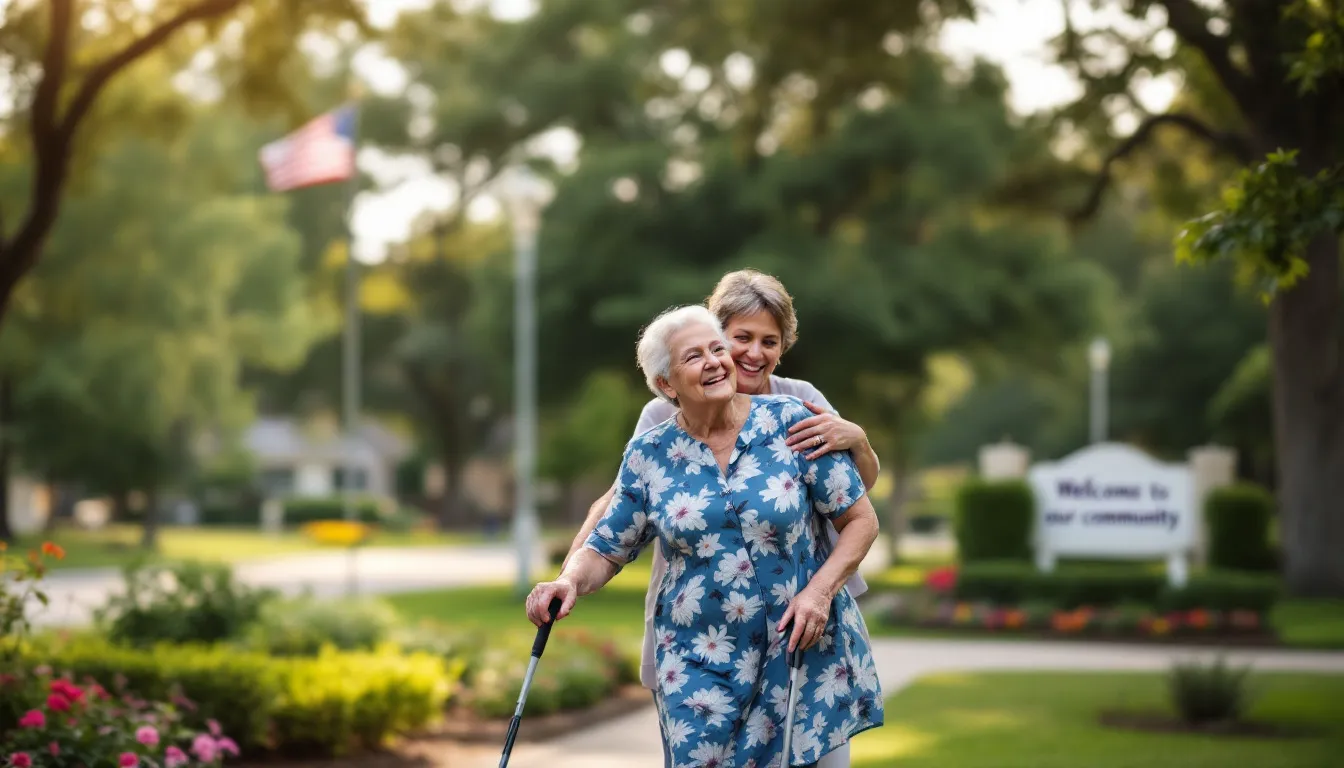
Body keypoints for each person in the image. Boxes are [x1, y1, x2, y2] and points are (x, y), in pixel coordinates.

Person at [527, 305, 883, 767]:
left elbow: (861, 519)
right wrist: (568, 581)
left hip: (799, 646)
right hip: (699, 660)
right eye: (694, 356)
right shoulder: (649, 453)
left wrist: (818, 593)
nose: (716, 361)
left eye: (718, 349)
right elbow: (606, 544)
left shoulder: (791, 421)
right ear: (667, 385)